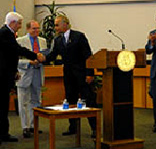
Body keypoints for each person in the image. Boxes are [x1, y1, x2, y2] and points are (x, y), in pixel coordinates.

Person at [46, 15, 97, 137]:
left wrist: (90, 74)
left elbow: (88, 56)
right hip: (68, 76)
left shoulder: (79, 36)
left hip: (82, 75)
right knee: (70, 100)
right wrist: (40, 59)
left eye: (57, 25)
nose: (55, 27)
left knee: (89, 100)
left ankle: (95, 128)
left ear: (65, 24)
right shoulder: (58, 40)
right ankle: (72, 127)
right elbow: (52, 55)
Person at [0, 12, 44, 144]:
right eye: (19, 23)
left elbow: (9, 56)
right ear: (12, 22)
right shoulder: (5, 33)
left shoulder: (6, 33)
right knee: (2, 106)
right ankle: (3, 134)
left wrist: (13, 71)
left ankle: (3, 133)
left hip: (6, 74)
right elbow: (16, 50)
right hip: (2, 76)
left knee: (3, 106)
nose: (20, 26)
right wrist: (35, 55)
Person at [16, 20, 47, 138]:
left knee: (36, 100)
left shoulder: (43, 41)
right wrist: (29, 62)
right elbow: (14, 61)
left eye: (38, 28)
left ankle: (34, 126)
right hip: (24, 74)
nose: (37, 31)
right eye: (34, 29)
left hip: (38, 73)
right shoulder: (19, 41)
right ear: (28, 29)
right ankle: (25, 127)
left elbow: (45, 56)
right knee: (23, 102)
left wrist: (42, 59)